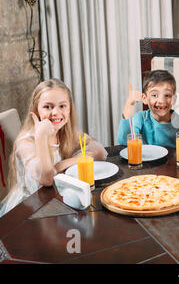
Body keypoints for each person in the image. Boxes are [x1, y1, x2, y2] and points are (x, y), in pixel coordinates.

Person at [0, 79, 107, 217]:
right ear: (36, 111)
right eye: (48, 107)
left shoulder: (64, 132)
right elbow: (46, 179)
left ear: (69, 110)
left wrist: (62, 164)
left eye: (62, 106)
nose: (55, 112)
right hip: (29, 208)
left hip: (57, 198)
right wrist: (41, 137)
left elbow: (100, 153)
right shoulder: (26, 142)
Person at [117, 70, 179, 149]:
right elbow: (124, 140)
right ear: (144, 98)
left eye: (167, 95)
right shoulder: (141, 118)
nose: (161, 101)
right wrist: (130, 104)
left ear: (174, 99)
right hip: (146, 160)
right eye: (154, 95)